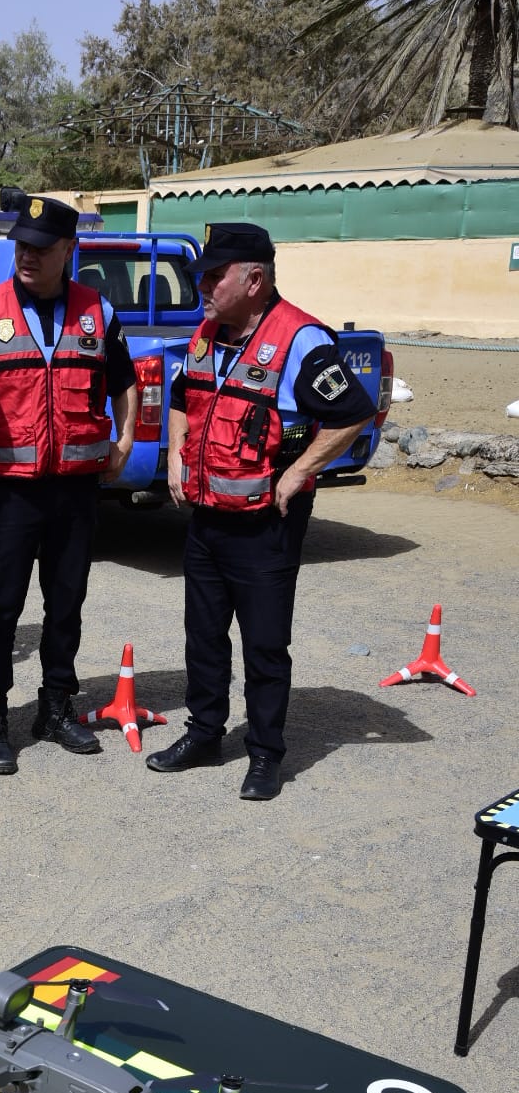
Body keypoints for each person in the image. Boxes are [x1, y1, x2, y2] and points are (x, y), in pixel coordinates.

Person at [149, 222, 376, 801]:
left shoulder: (301, 339)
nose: (201, 284)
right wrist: (177, 453)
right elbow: (182, 396)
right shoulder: (207, 333)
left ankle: (266, 754)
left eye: (213, 275)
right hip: (206, 515)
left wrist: (302, 471)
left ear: (253, 279)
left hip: (265, 524)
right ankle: (204, 734)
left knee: (265, 644)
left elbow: (355, 411)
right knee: (203, 635)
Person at [0, 194, 138, 776]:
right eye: (20, 246)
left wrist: (124, 443)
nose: (26, 256)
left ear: (68, 251)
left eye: (40, 248)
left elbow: (124, 381)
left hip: (75, 492)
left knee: (66, 606)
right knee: (0, 610)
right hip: (8, 493)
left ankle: (55, 709)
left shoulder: (98, 312)